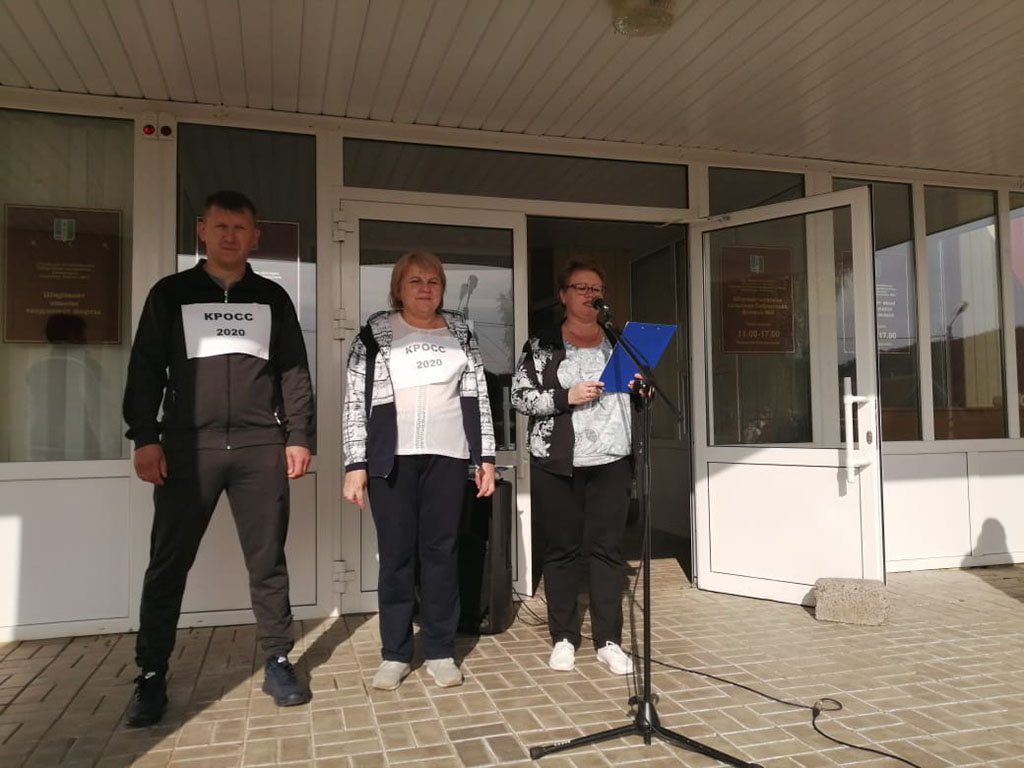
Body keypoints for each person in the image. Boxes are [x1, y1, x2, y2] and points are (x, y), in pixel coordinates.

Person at [122, 190, 315, 726]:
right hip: (188, 446)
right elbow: (145, 369)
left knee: (268, 562)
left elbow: (293, 372)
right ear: (202, 231)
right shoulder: (170, 294)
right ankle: (151, 673)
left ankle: (278, 660)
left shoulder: (272, 298)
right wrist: (145, 436)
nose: (231, 236)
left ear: (255, 237)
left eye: (241, 228)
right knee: (168, 564)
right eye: (221, 226)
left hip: (259, 446)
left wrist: (299, 435)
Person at [343, 251, 496, 691]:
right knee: (396, 557)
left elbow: (479, 397)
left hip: (448, 456)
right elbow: (355, 401)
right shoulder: (375, 333)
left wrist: (484, 457)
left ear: (442, 289)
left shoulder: (461, 332)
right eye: (415, 281)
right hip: (391, 460)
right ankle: (394, 653)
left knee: (441, 554)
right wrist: (355, 464)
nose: (425, 288)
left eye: (433, 281)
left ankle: (440, 650)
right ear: (398, 288)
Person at [512, 260, 638, 677]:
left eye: (595, 288)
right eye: (580, 288)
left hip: (612, 459)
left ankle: (609, 641)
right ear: (563, 295)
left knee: (607, 551)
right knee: (563, 550)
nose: (589, 295)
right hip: (558, 461)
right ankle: (564, 637)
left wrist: (641, 388)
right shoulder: (543, 343)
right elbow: (520, 397)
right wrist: (566, 396)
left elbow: (638, 393)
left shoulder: (619, 341)